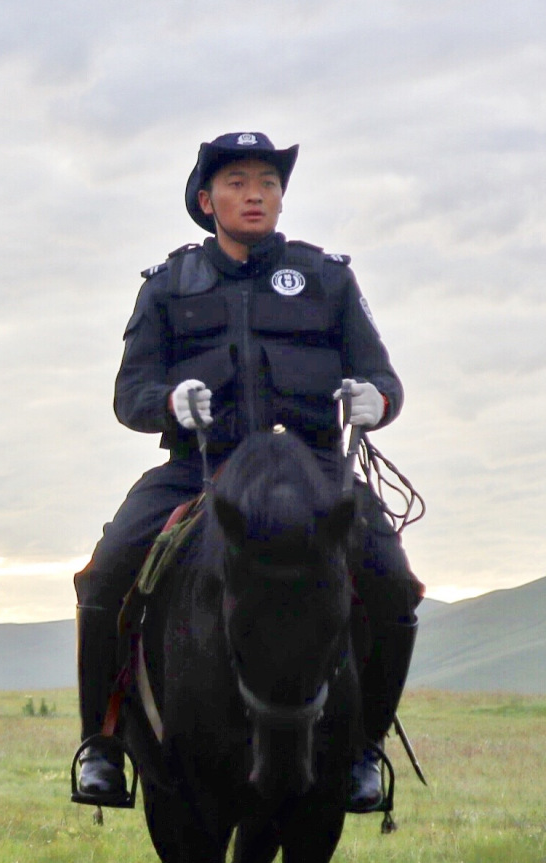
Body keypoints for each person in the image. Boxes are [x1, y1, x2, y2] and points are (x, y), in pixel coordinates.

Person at [71, 132, 422, 813]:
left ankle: (362, 748)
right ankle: (103, 745)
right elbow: (129, 395)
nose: (255, 192)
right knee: (106, 572)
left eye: (267, 180)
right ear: (206, 201)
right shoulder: (167, 286)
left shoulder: (327, 277)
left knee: (393, 582)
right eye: (236, 182)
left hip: (312, 471)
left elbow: (383, 375)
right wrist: (170, 402)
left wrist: (376, 399)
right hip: (198, 470)